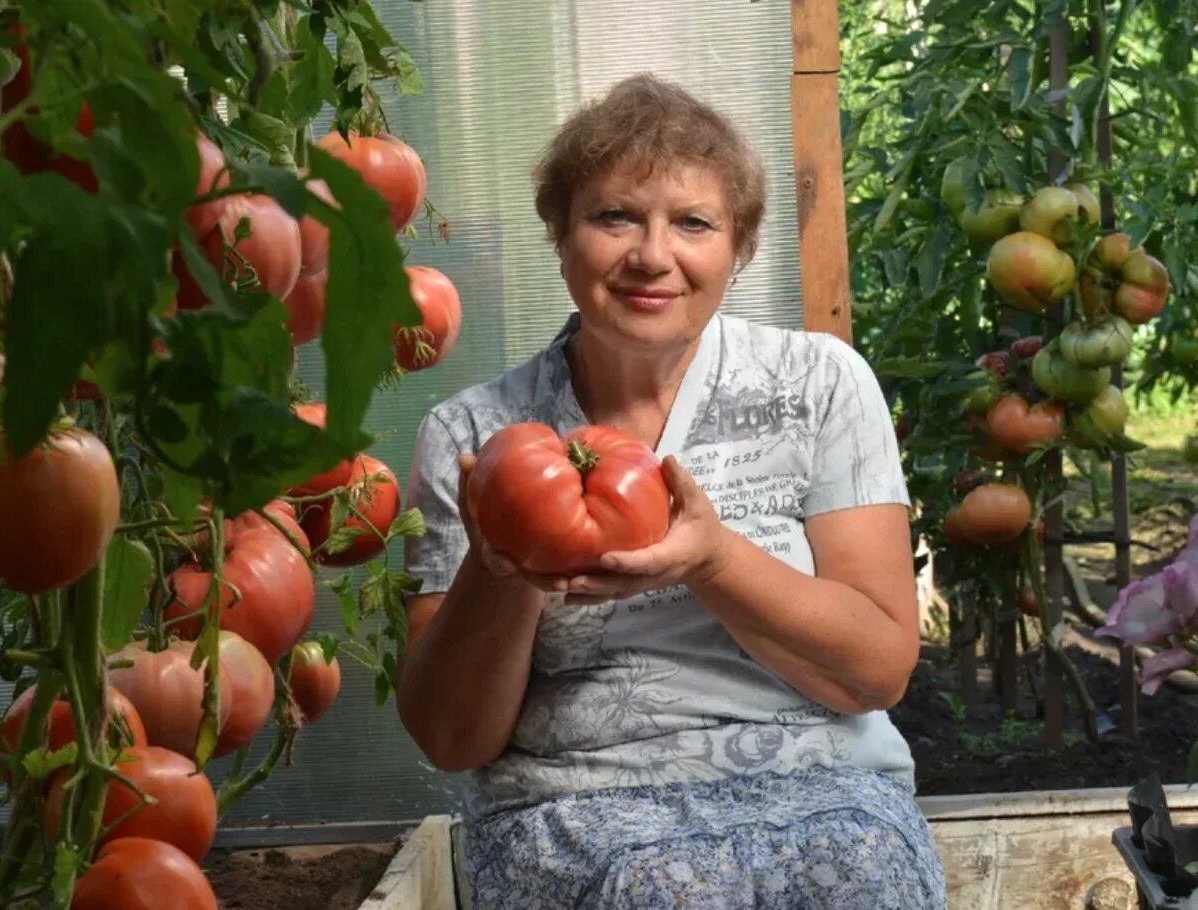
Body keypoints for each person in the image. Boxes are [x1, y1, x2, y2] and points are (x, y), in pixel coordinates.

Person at [397, 73, 947, 909]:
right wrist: (500, 567)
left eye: (694, 223)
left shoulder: (819, 385)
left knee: (861, 878)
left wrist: (714, 561)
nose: (653, 255)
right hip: (578, 806)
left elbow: (877, 673)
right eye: (615, 215)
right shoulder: (475, 438)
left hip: (826, 791)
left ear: (739, 246)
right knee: (653, 892)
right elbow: (450, 738)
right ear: (561, 232)